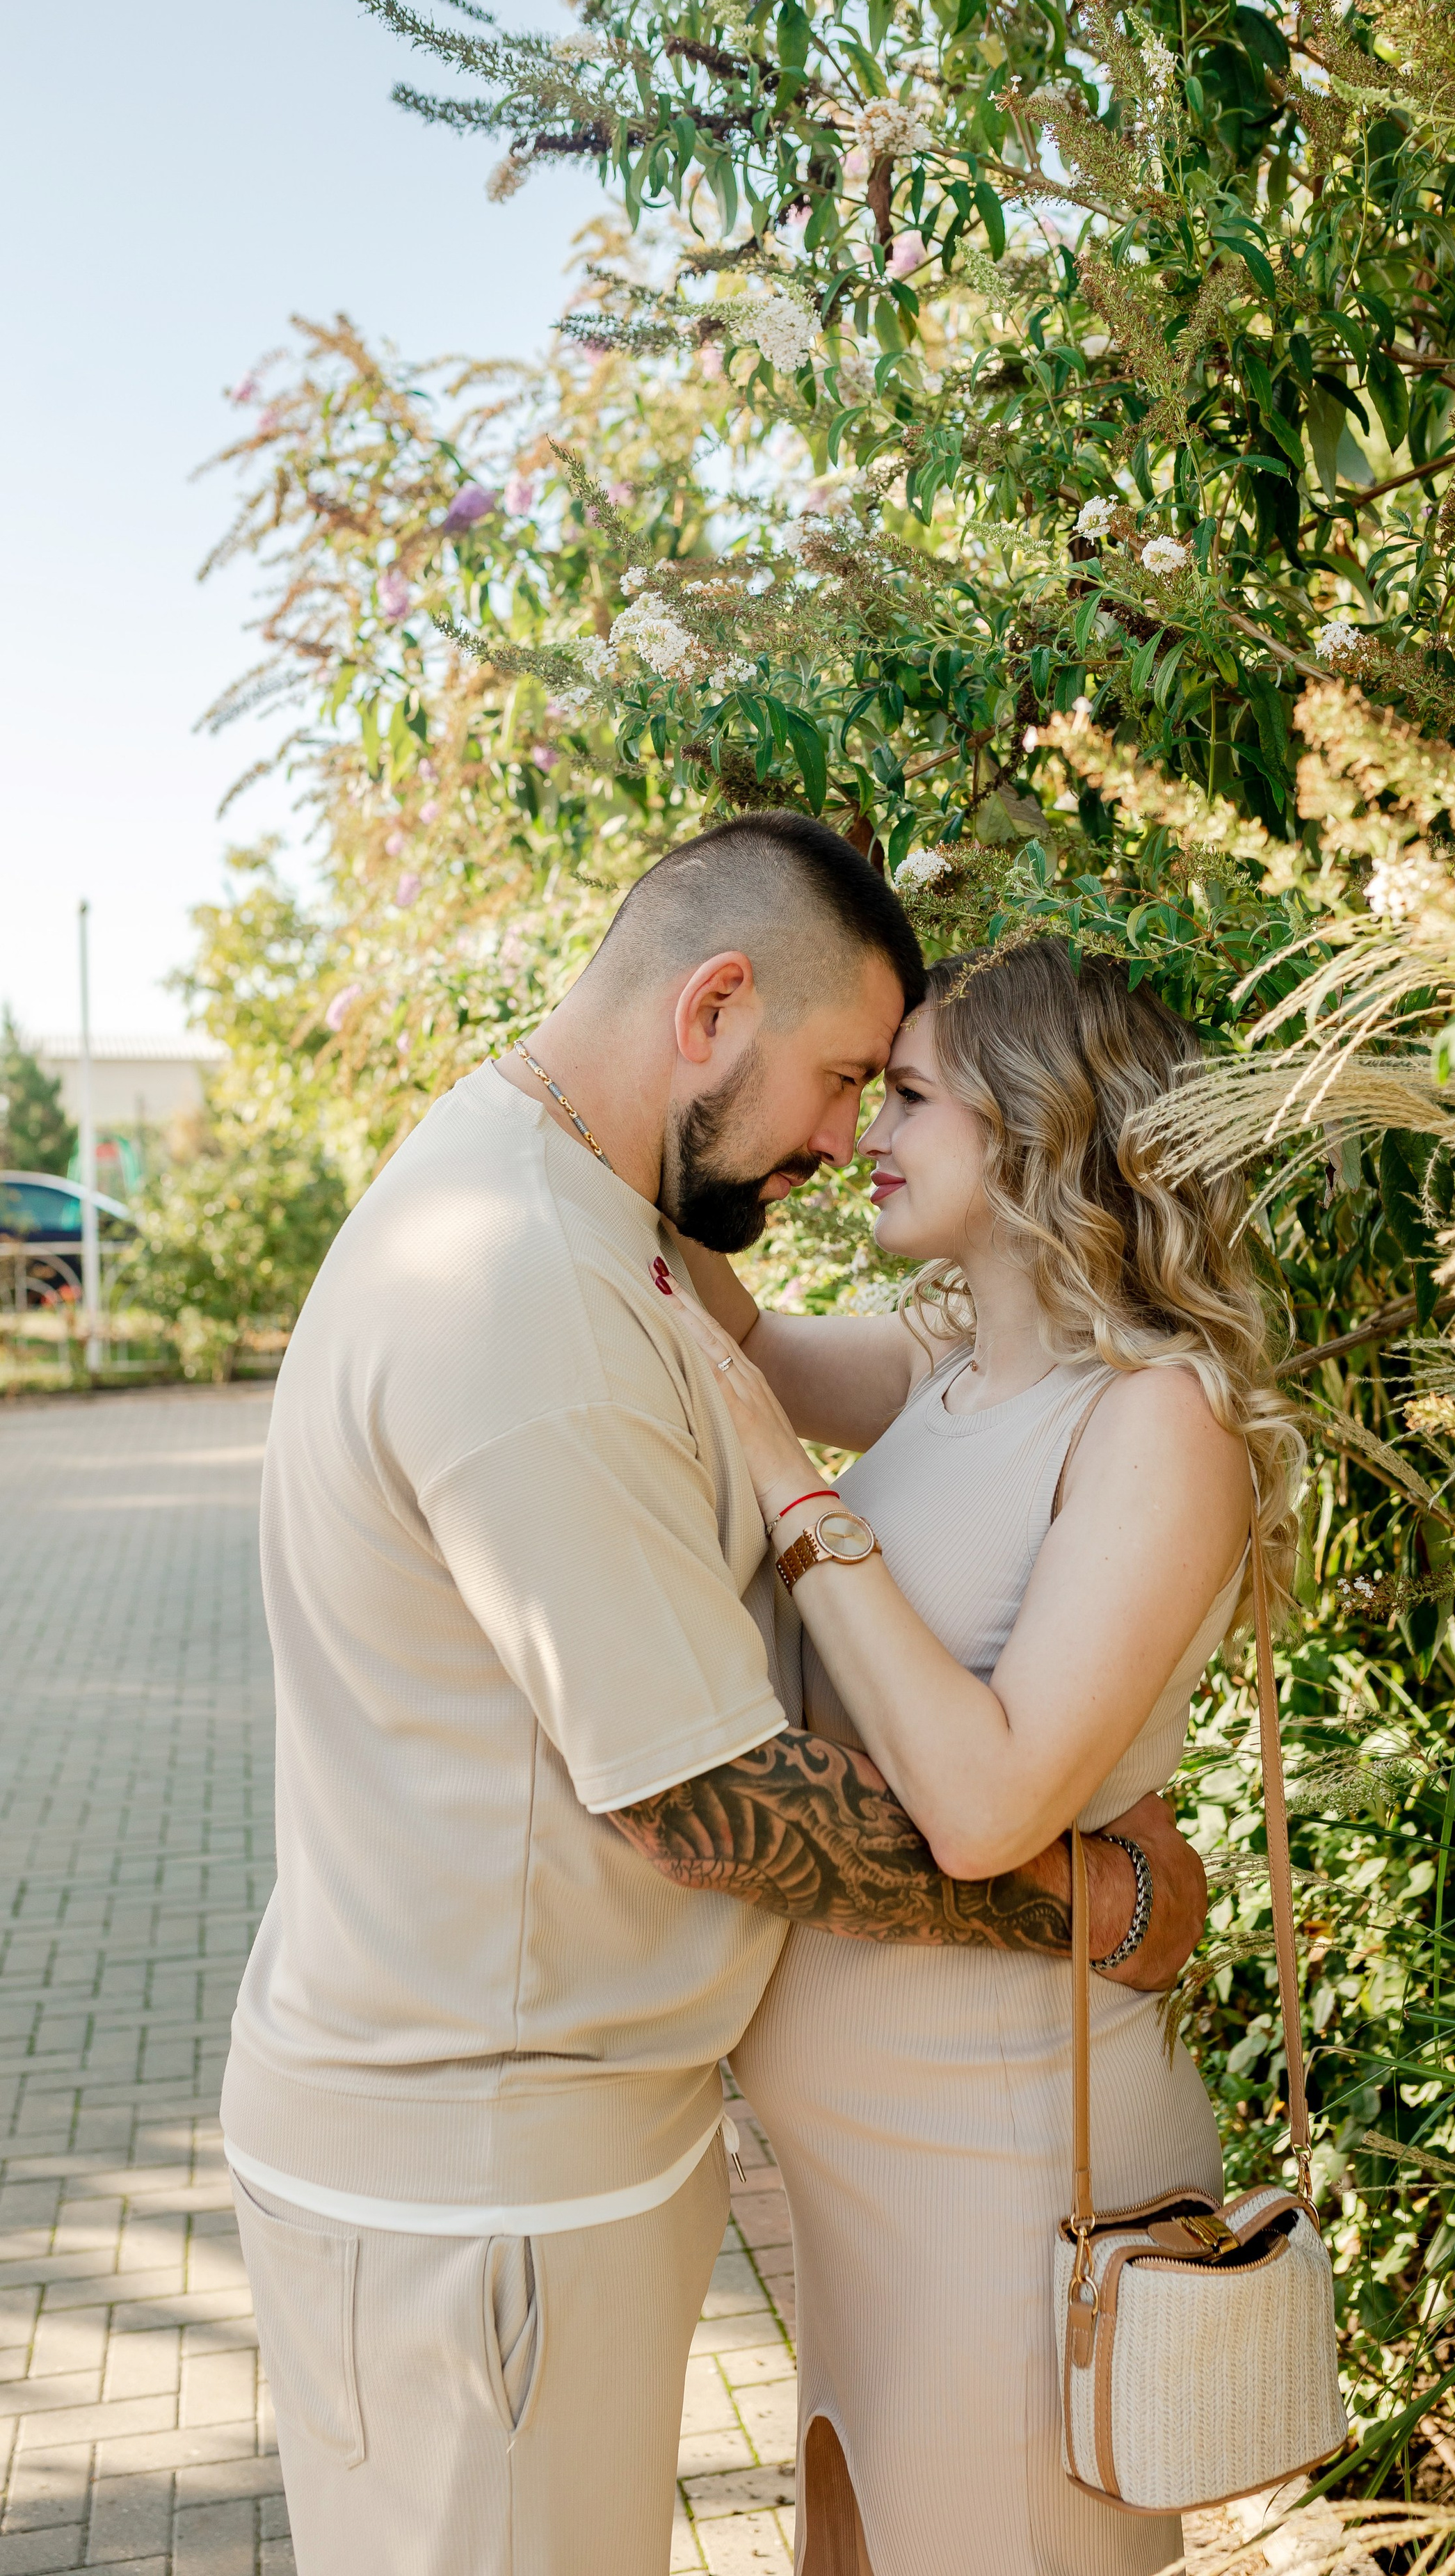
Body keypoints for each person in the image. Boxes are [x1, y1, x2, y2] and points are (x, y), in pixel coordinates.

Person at [219, 814, 1201, 2576]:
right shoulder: (534, 1277)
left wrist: (610, 1140)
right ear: (712, 1006)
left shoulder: (563, 1218)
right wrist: (1101, 1898)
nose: (845, 1136)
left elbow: (732, 1336)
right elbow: (694, 1798)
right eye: (846, 1079)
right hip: (498, 2182)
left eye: (898, 1096)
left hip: (894, 2165)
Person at [662, 931, 1303, 2576]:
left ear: (1034, 1125)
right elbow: (714, 1311)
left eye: (908, 1097)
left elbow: (985, 1805)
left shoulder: (1155, 1420)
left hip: (1010, 2173)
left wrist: (795, 1497)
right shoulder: (945, 1369)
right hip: (863, 2168)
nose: (863, 1131)